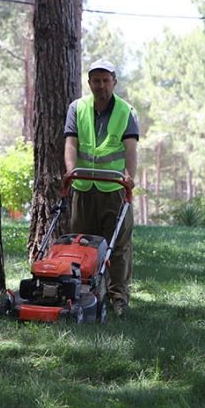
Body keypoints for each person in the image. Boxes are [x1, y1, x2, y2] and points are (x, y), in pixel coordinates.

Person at [63, 59, 140, 316]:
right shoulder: (77, 108)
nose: (101, 85)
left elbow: (130, 149)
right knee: (82, 244)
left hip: (114, 189)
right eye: (96, 81)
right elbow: (71, 143)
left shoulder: (126, 111)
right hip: (84, 188)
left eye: (106, 80)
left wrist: (130, 176)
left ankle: (118, 298)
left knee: (118, 246)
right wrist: (71, 171)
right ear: (89, 83)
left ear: (114, 82)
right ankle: (85, 293)